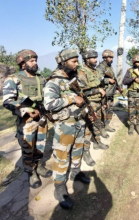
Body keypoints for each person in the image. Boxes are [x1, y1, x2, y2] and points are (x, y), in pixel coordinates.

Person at [44, 49, 90, 210]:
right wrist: (71, 98)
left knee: (78, 151)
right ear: (63, 62)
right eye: (74, 61)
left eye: (77, 61)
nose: (77, 64)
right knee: (62, 157)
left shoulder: (73, 78)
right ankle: (59, 188)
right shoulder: (53, 81)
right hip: (65, 126)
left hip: (79, 122)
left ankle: (76, 172)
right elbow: (48, 104)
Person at [3, 49, 52, 189]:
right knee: (28, 148)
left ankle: (39, 166)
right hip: (26, 122)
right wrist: (27, 111)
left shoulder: (39, 78)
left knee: (40, 145)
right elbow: (7, 101)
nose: (35, 62)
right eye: (31, 60)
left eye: (36, 60)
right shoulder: (13, 79)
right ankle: (31, 172)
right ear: (23, 63)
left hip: (41, 119)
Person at [78, 50, 109, 167]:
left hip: (98, 102)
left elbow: (100, 86)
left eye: (96, 58)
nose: (96, 60)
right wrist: (97, 91)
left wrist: (103, 101)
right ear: (87, 59)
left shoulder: (95, 71)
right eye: (93, 58)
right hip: (89, 103)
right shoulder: (83, 72)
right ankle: (86, 153)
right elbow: (81, 91)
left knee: (97, 124)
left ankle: (97, 142)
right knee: (87, 129)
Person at [122, 54, 139, 135]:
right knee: (131, 112)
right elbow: (124, 81)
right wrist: (133, 79)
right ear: (134, 62)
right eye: (138, 62)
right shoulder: (130, 71)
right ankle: (131, 126)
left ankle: (138, 126)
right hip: (132, 95)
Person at [96, 49, 117, 137]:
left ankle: (107, 125)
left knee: (109, 111)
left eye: (112, 57)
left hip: (110, 93)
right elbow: (98, 79)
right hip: (104, 93)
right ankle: (102, 129)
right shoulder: (100, 67)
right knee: (103, 112)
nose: (111, 59)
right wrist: (108, 80)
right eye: (110, 57)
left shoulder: (109, 67)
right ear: (105, 57)